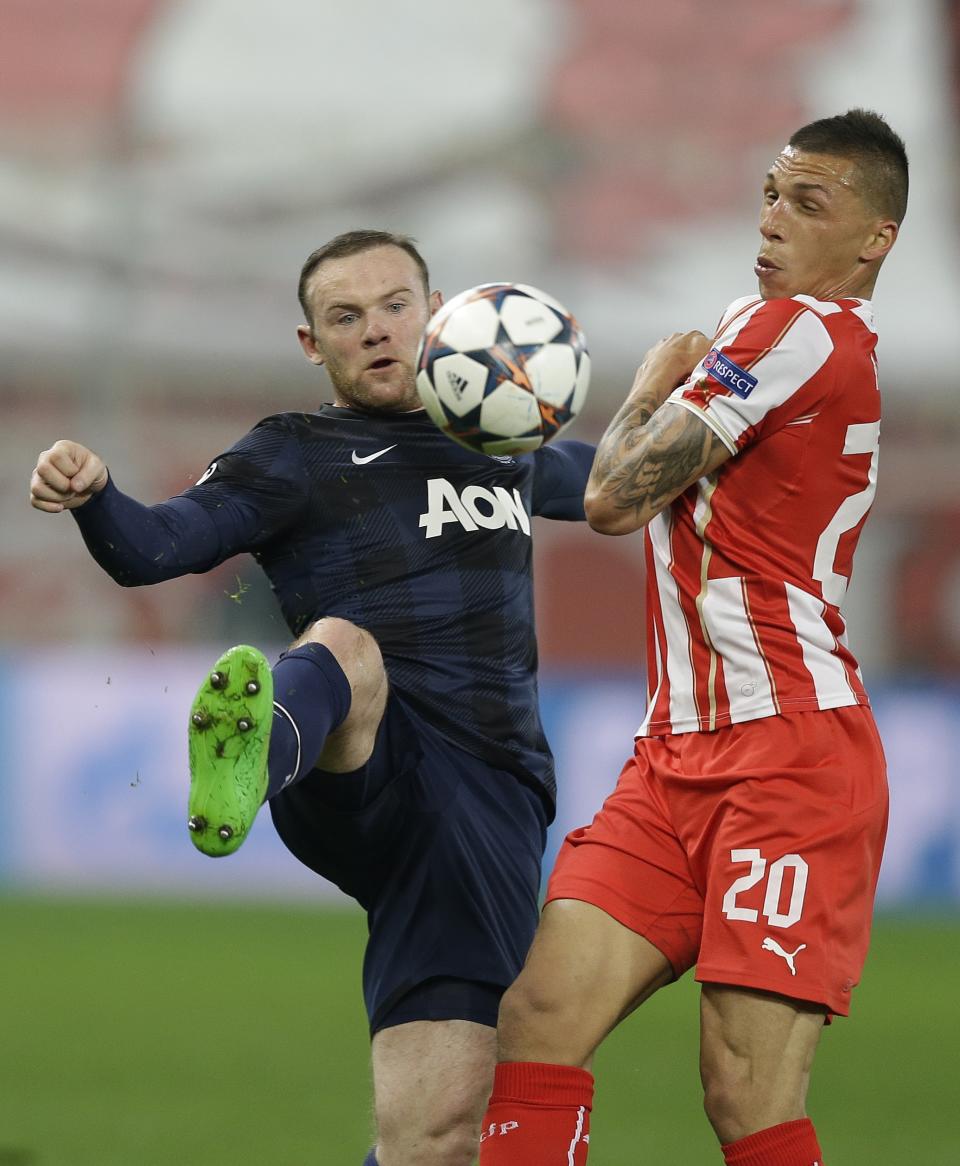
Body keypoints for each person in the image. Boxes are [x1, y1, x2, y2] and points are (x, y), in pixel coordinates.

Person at [29, 229, 595, 1166]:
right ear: (311, 344)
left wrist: (686, 409)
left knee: (435, 1138)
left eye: (394, 305)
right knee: (343, 644)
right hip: (354, 761)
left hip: (484, 804)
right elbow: (155, 547)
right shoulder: (295, 451)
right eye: (345, 316)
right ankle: (252, 758)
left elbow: (618, 485)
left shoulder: (500, 435)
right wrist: (95, 494)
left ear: (437, 312)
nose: (375, 330)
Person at [477, 108, 907, 1166]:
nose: (771, 220)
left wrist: (638, 394)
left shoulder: (795, 331)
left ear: (874, 239)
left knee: (745, 1094)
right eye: (769, 192)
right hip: (676, 758)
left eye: (808, 203)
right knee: (540, 1012)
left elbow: (617, 498)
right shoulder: (771, 332)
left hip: (789, 759)